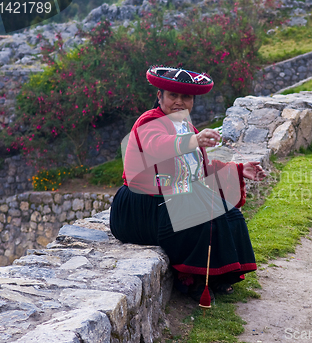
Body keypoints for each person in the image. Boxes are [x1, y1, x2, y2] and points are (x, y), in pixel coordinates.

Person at [110, 66, 266, 301]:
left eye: (186, 97)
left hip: (170, 199)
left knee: (227, 212)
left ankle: (217, 275)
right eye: (173, 95)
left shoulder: (187, 127)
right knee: (196, 213)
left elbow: (198, 170)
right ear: (159, 96)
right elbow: (158, 145)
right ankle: (190, 280)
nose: (179, 102)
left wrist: (240, 170)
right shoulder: (149, 122)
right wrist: (194, 140)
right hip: (139, 207)